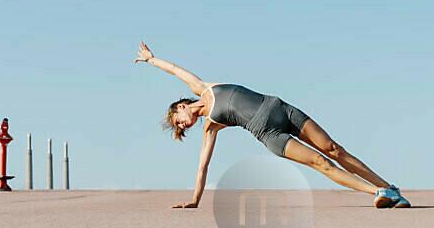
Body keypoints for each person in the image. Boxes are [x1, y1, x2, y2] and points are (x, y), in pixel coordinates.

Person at [134, 41, 411, 209]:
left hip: (282, 108)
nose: (184, 125)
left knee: (334, 148)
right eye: (181, 127)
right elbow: (202, 166)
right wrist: (195, 199)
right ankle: (377, 192)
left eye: (178, 121)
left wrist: (151, 60)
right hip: (272, 134)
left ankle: (390, 188)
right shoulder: (211, 126)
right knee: (321, 163)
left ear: (181, 106)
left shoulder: (203, 87)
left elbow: (174, 69)